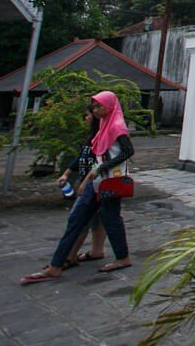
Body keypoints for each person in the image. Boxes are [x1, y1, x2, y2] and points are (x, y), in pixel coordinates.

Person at [20, 90, 135, 283]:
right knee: (78, 218)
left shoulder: (116, 127)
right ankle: (56, 265)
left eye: (98, 106)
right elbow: (91, 155)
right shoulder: (103, 128)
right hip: (96, 180)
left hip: (108, 181)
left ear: (109, 106)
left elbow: (128, 151)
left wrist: (100, 169)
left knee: (110, 219)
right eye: (95, 107)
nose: (96, 111)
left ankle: (122, 257)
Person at [54, 105, 107, 267]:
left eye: (87, 114)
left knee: (79, 218)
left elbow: (100, 162)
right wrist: (66, 173)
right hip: (90, 181)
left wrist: (84, 183)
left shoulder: (102, 136)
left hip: (95, 182)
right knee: (97, 219)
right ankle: (97, 250)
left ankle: (70, 255)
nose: (86, 118)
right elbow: (81, 158)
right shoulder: (90, 137)